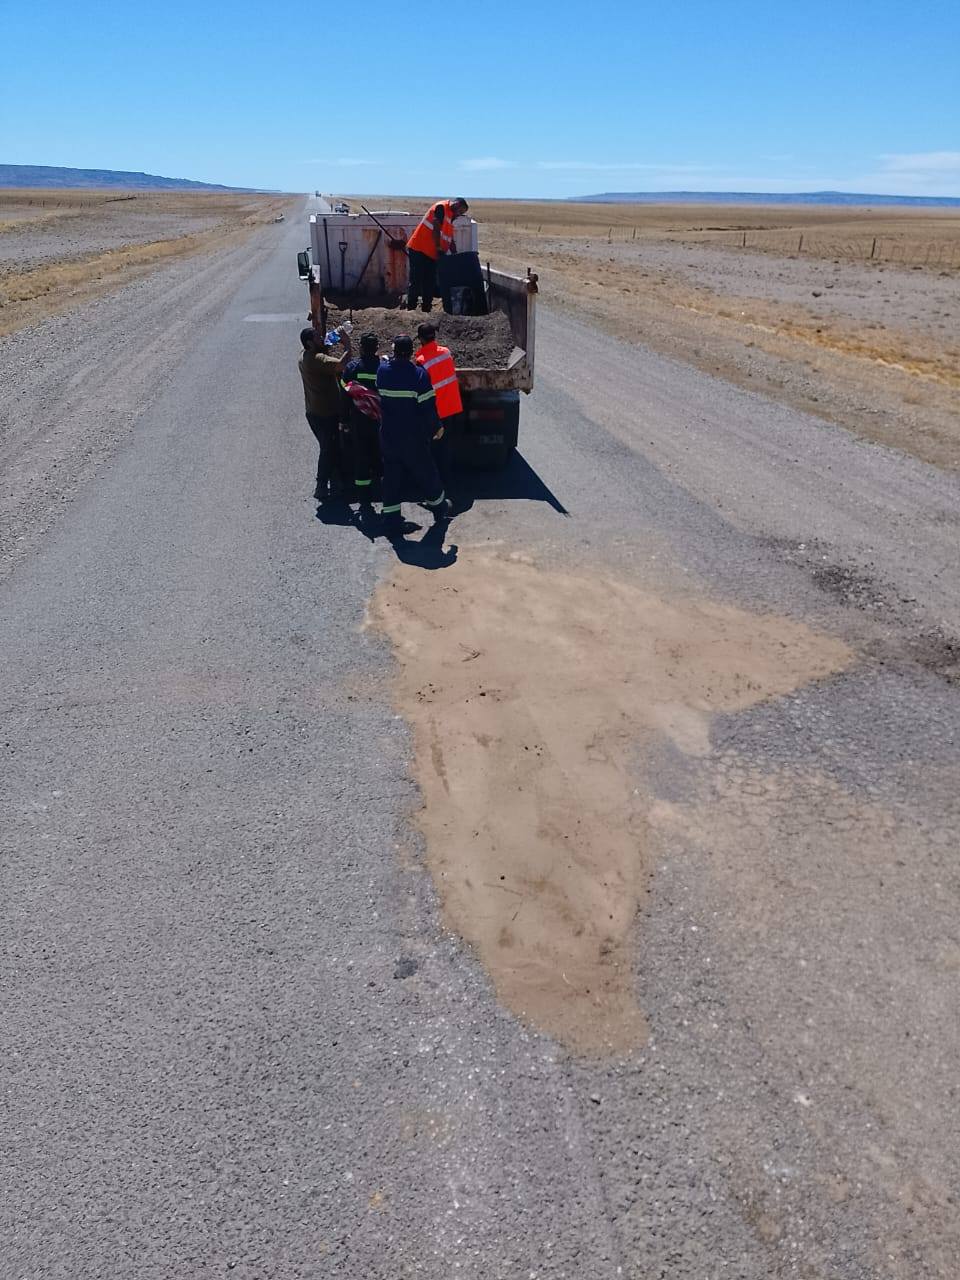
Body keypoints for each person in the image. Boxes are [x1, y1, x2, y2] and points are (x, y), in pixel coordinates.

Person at [376, 335, 453, 539]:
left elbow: (383, 371)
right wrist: (437, 427)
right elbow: (428, 407)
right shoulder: (419, 375)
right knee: (426, 473)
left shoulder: (382, 371)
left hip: (389, 437)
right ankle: (439, 508)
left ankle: (391, 519)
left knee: (391, 478)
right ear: (411, 352)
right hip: (412, 438)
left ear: (394, 351)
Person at [298, 325, 352, 500]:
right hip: (325, 413)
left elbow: (323, 353)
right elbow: (341, 365)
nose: (321, 338)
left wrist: (328, 340)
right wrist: (347, 345)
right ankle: (321, 485)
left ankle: (336, 483)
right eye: (317, 337)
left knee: (332, 447)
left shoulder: (304, 355)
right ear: (309, 343)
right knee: (328, 449)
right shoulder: (317, 359)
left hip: (315, 411)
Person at [416, 322, 462, 489]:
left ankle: (437, 483)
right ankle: (447, 479)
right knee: (445, 446)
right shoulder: (446, 352)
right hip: (451, 407)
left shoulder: (421, 361)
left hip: (435, 412)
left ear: (420, 339)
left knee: (434, 449)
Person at [405, 198, 469, 313]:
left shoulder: (451, 216)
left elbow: (448, 236)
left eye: (461, 213)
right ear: (456, 204)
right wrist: (439, 248)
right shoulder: (441, 207)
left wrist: (455, 254)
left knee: (429, 281)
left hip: (432, 253)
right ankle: (411, 309)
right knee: (416, 280)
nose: (459, 215)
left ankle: (426, 309)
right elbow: (436, 228)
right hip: (419, 248)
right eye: (460, 211)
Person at [340, 332, 382, 501]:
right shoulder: (384, 367)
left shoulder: (352, 368)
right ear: (377, 348)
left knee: (361, 456)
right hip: (380, 420)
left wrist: (343, 420)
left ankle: (363, 495)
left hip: (359, 420)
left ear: (361, 348)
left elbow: (344, 395)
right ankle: (380, 487)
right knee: (379, 453)